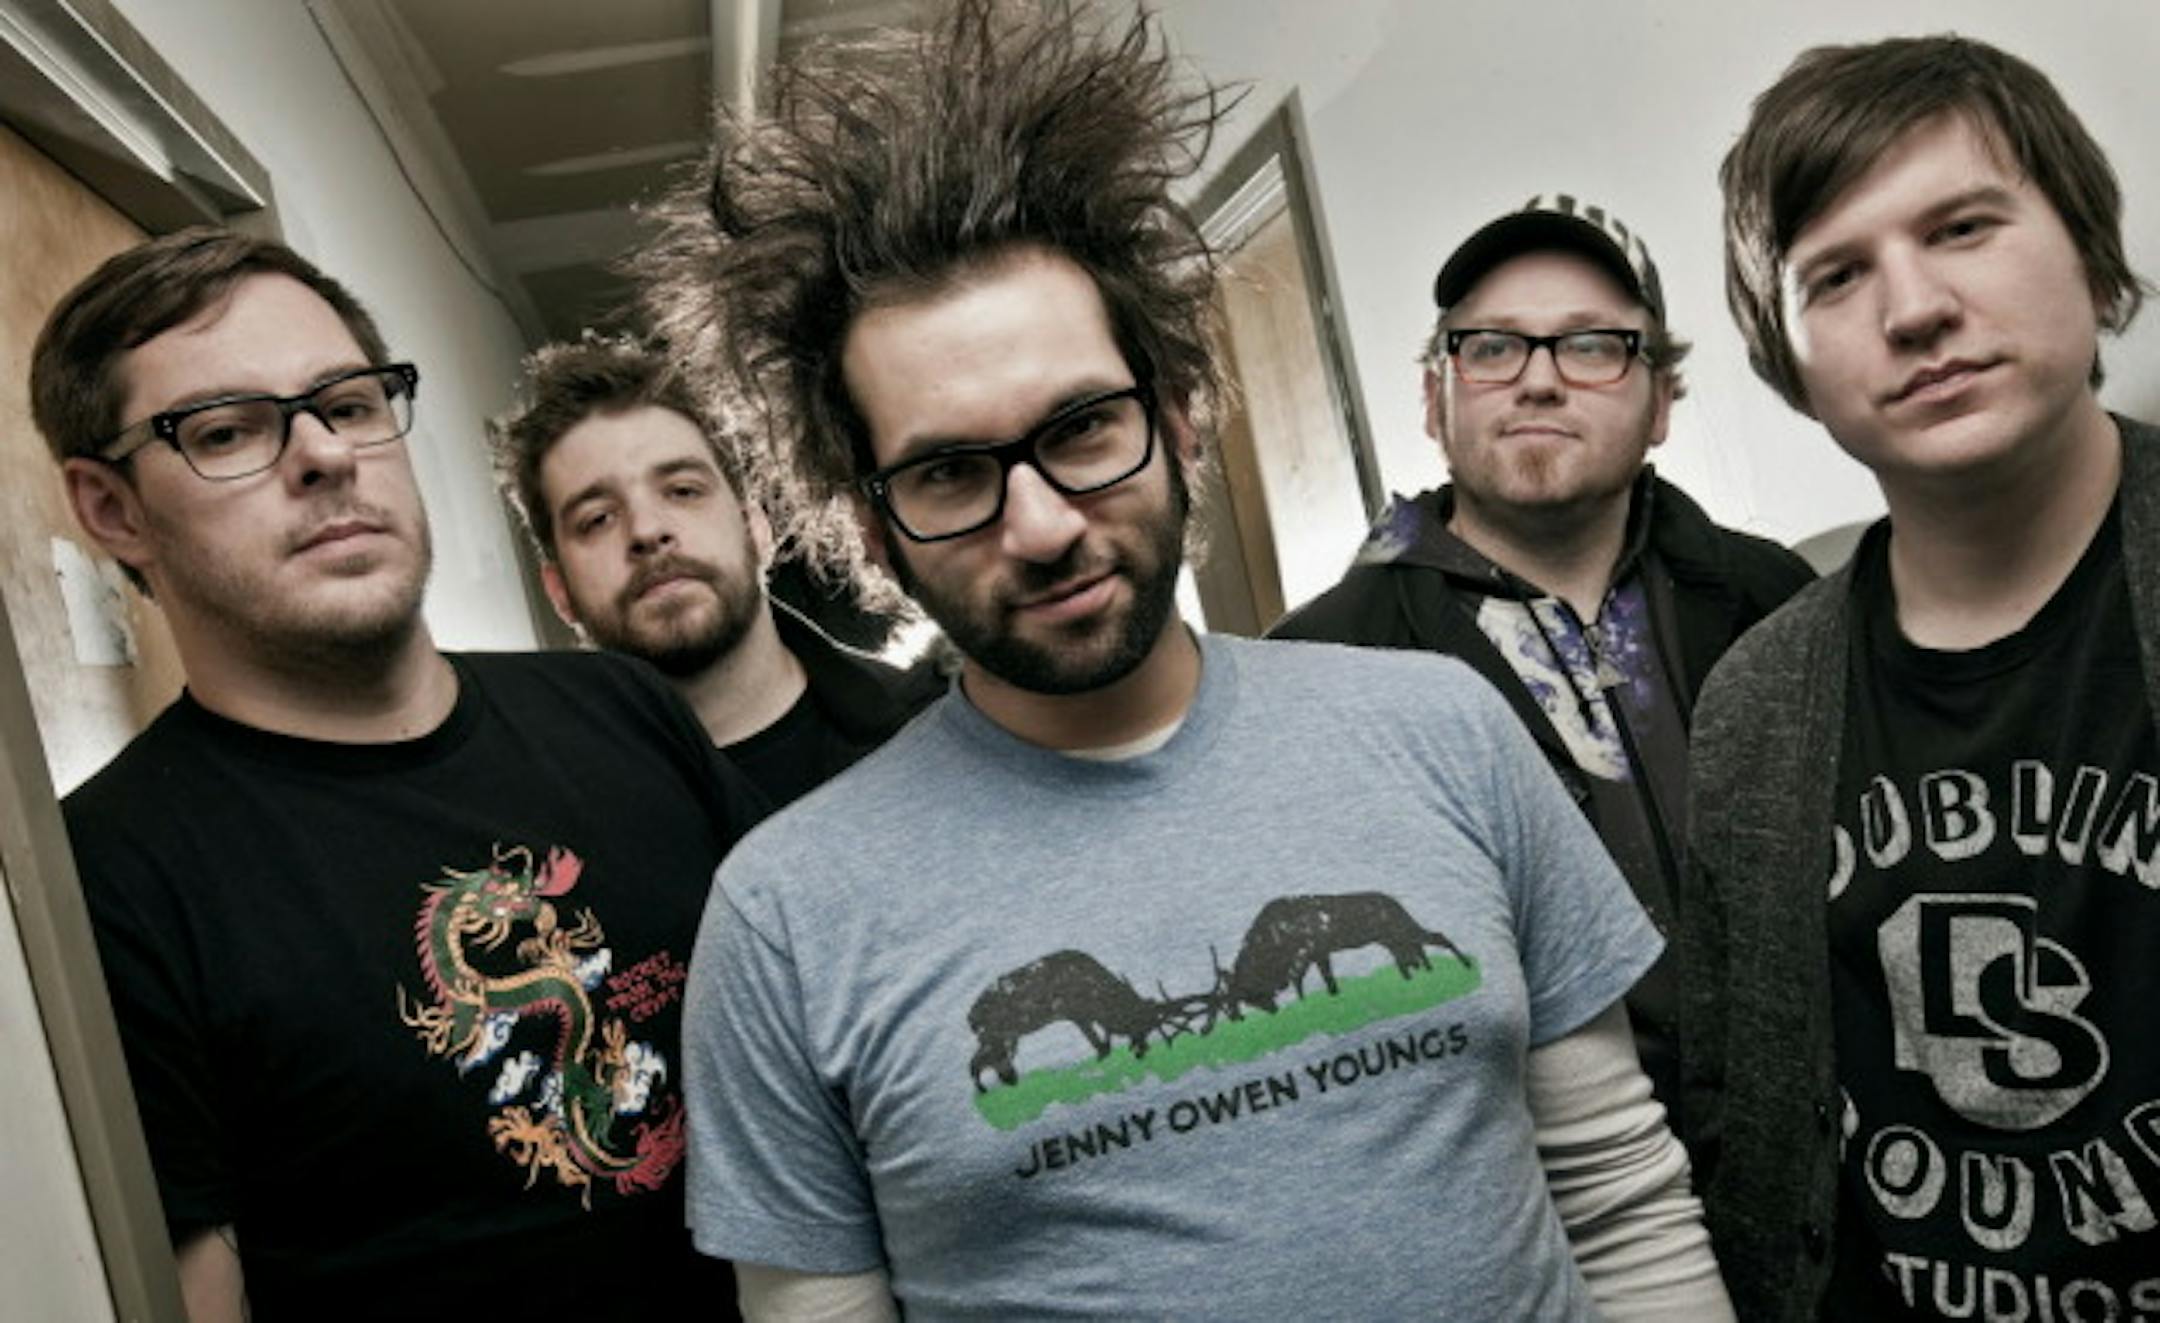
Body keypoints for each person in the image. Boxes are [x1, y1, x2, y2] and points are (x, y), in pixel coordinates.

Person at [639, 3, 1732, 1318]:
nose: (1041, 523)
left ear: (1180, 420)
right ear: (873, 525)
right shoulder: (785, 916)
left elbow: (1619, 1204)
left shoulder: (1449, 729)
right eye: (949, 469)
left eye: (1084, 427)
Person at [30, 229, 761, 1320]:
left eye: (352, 402)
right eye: (227, 429)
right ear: (111, 509)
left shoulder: (622, 707)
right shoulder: (102, 883)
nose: (325, 454)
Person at [1682, 35, 2160, 1321]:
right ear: (1787, 357)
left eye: (1962, 227)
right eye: (1835, 274)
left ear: (2088, 249)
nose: (1914, 309)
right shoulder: (1755, 702)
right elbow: (1747, 1108)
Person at [1274, 197, 1812, 1114]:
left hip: (1807, 1166)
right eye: (1491, 347)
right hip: (1546, 1193)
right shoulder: (1319, 669)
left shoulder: (1778, 602)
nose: (1538, 381)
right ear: (1435, 401)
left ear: (1660, 406)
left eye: (1593, 345)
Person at [492, 336, 940, 808]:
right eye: (598, 518)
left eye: (683, 491)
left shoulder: (934, 731)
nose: (647, 530)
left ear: (757, 531)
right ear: (559, 592)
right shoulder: (542, 813)